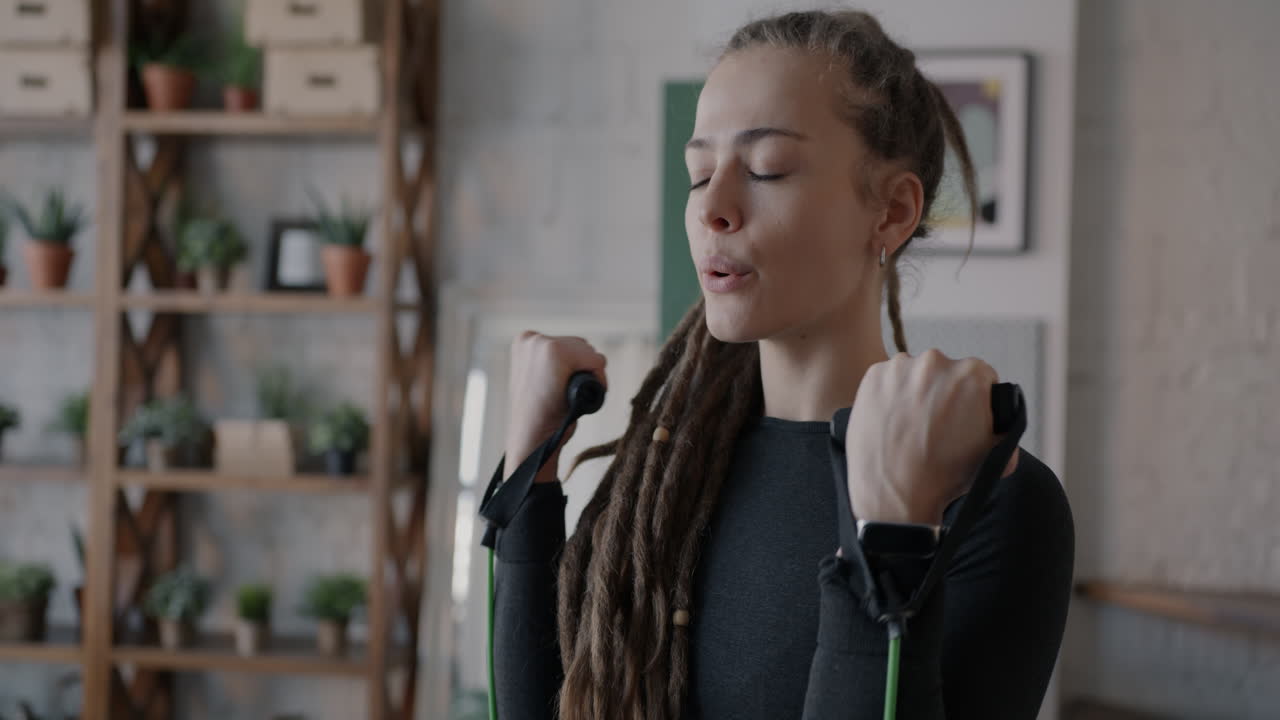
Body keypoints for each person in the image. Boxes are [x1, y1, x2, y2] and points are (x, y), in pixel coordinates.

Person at [491, 9, 1074, 720]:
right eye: (699, 174)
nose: (715, 208)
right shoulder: (666, 472)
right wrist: (528, 477)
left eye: (766, 168)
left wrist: (889, 538)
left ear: (890, 212)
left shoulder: (993, 501)